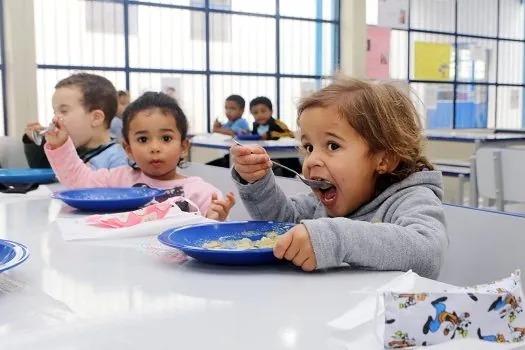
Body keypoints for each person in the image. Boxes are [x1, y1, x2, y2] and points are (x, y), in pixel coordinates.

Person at [231, 78, 447, 278]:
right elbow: (282, 225)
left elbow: (428, 252)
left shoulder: (411, 199)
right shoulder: (320, 202)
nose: (311, 160)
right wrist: (257, 182)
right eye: (309, 147)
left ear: (384, 159)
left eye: (332, 146)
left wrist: (334, 238)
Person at [44, 91, 235, 220]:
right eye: (143, 140)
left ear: (183, 147)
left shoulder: (202, 193)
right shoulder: (119, 180)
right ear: (128, 150)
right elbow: (79, 181)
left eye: (166, 138)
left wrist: (214, 220)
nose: (155, 147)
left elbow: (211, 239)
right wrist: (60, 145)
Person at [22, 73, 128, 170]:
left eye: (64, 111)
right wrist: (36, 141)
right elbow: (43, 169)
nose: (55, 119)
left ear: (96, 118)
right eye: (55, 113)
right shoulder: (72, 149)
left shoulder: (119, 160)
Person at [249, 96, 301, 178]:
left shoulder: (277, 123)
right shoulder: (255, 125)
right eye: (255, 113)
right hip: (268, 157)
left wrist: (270, 135)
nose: (260, 115)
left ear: (271, 111)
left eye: (263, 111)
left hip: (285, 158)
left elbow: (290, 134)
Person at [207, 95, 250, 168]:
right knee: (208, 166)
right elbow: (220, 131)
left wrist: (216, 129)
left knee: (214, 167)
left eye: (232, 108)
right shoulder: (229, 123)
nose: (228, 111)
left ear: (242, 111)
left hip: (244, 159)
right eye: (226, 108)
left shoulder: (242, 122)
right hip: (231, 156)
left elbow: (231, 132)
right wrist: (218, 127)